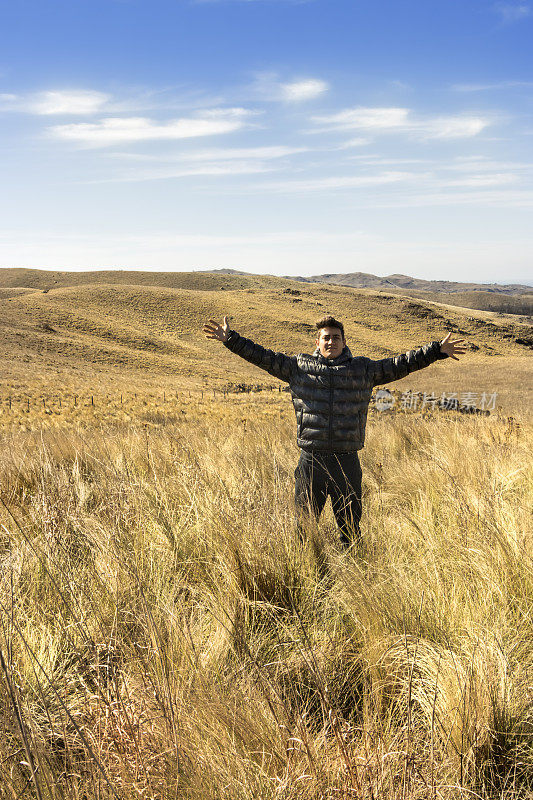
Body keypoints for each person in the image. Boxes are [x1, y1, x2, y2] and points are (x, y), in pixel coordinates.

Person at [203, 314, 466, 549]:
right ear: (317, 342)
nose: (331, 342)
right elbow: (262, 357)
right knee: (304, 530)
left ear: (344, 342)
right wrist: (232, 340)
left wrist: (435, 351)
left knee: (350, 529)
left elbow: (399, 364)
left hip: (346, 461)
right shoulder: (298, 367)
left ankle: (355, 577)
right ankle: (307, 576)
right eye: (326, 338)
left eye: (336, 338)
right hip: (311, 461)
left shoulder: (362, 369)